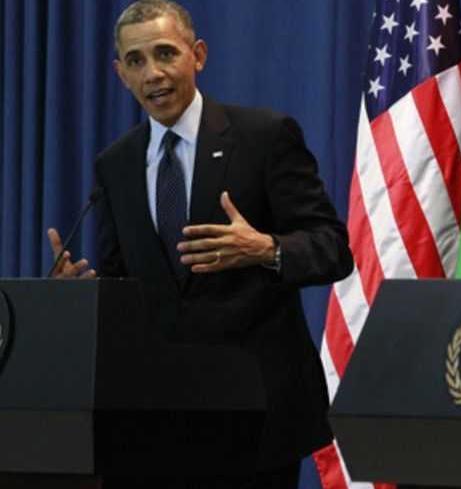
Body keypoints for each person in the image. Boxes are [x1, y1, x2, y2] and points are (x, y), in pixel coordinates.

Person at [47, 1, 353, 487]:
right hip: (152, 417)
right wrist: (79, 294)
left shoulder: (263, 137)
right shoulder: (117, 164)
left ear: (199, 55)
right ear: (120, 73)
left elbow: (333, 248)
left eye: (166, 53)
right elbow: (123, 280)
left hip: (256, 415)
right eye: (136, 60)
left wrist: (266, 249)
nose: (153, 73)